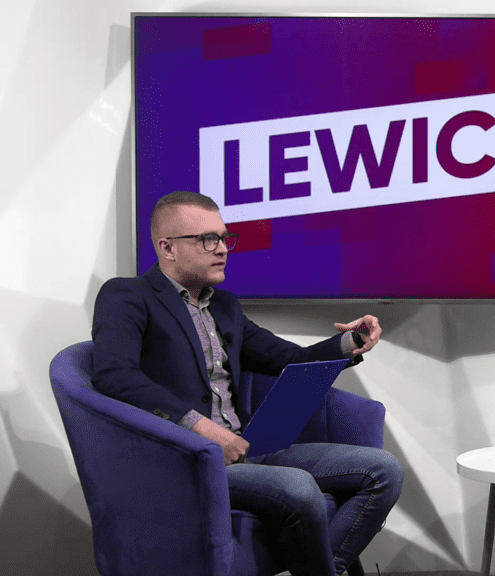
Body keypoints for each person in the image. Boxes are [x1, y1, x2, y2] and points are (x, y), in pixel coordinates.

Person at [91, 191, 403, 576]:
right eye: (208, 240)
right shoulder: (127, 295)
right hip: (187, 459)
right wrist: (200, 427)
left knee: (384, 470)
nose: (222, 249)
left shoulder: (224, 306)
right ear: (168, 248)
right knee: (299, 488)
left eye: (224, 238)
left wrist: (351, 341)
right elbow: (114, 374)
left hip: (249, 447)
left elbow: (287, 359)